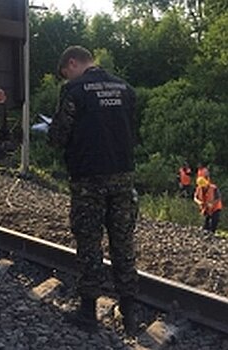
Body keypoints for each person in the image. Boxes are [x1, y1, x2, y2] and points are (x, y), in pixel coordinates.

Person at [49, 46, 138, 334]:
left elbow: (59, 136)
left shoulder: (74, 91)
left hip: (89, 180)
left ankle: (88, 313)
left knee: (89, 243)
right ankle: (130, 312)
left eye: (65, 73)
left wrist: (50, 131)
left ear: (72, 63)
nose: (66, 77)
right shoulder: (125, 88)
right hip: (123, 176)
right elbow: (131, 130)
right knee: (123, 242)